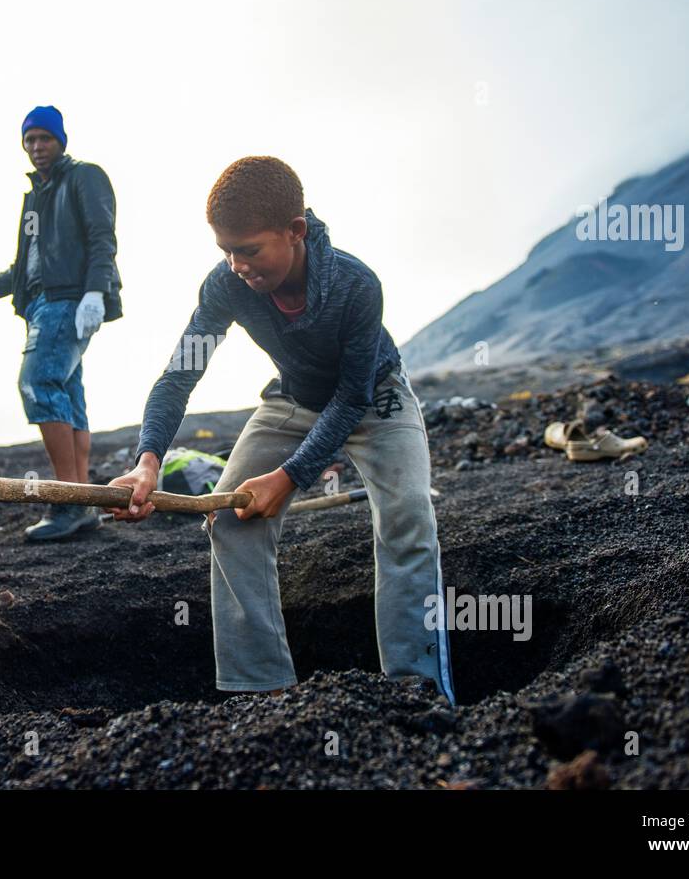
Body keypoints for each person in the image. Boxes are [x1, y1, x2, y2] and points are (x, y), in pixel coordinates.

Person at [107, 156, 456, 705]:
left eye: (248, 250)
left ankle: (418, 691)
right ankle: (264, 693)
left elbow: (352, 398)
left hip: (374, 398)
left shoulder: (356, 285)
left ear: (294, 232)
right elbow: (179, 375)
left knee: (409, 514)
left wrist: (291, 477)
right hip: (292, 397)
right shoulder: (225, 287)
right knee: (230, 515)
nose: (236, 264)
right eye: (225, 250)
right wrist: (148, 458)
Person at [0, 106, 123, 542]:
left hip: (70, 301)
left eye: (45, 138)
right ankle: (84, 504)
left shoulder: (84, 177)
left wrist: (96, 292)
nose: (37, 147)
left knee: (38, 384)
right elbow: (21, 270)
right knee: (67, 397)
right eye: (30, 140)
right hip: (41, 304)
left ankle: (66, 501)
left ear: (61, 139)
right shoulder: (35, 197)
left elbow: (103, 236)